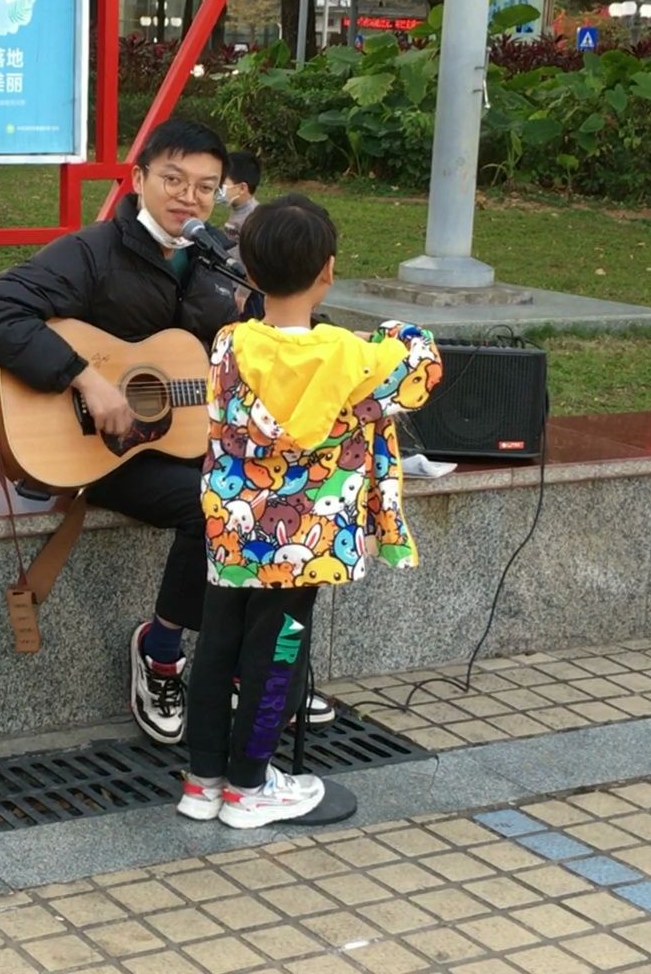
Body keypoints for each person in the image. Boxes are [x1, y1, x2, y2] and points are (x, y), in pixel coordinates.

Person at [0, 118, 332, 746]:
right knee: (216, 507)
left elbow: (251, 347)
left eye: (205, 186)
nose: (187, 196)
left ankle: (257, 666)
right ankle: (161, 651)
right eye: (172, 179)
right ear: (137, 180)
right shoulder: (90, 253)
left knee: (284, 494)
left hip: (187, 438)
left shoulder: (220, 264)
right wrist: (84, 377)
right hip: (98, 455)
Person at [177, 195, 443, 828]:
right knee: (278, 656)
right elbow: (422, 367)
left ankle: (202, 781)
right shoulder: (357, 361)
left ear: (253, 273)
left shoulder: (228, 345)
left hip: (233, 538)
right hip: (308, 543)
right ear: (328, 271)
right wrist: (391, 333)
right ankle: (249, 788)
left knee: (216, 646)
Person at [220, 151, 262, 242]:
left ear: (242, 188)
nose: (217, 187)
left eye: (222, 183)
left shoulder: (253, 221)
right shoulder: (239, 209)